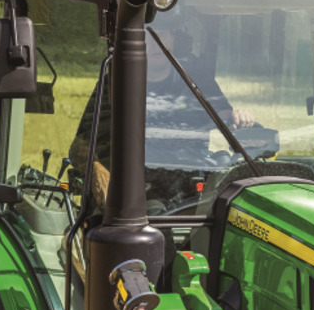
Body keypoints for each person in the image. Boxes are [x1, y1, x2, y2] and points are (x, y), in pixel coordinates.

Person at [66, 24, 260, 214]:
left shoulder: (196, 79)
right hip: (134, 191)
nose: (155, 43)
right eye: (146, 37)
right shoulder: (116, 83)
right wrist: (96, 170)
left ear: (173, 39)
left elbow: (226, 119)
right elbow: (80, 146)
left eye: (162, 35)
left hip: (190, 186)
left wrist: (241, 118)